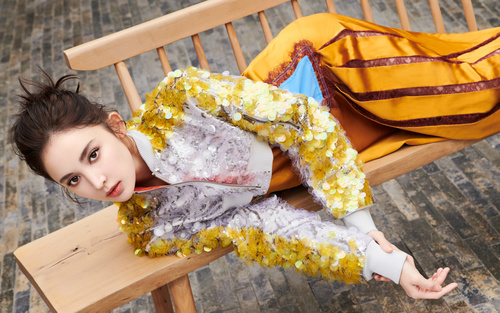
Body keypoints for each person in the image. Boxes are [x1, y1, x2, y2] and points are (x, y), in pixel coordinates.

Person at [14, 12, 493, 299]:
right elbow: (271, 230)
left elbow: (303, 122)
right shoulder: (156, 226)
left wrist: (363, 225)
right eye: (72, 181)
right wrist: (392, 265)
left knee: (476, 94)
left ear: (115, 126)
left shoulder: (182, 102)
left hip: (327, 75)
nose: (95, 182)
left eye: (92, 154)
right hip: (330, 147)